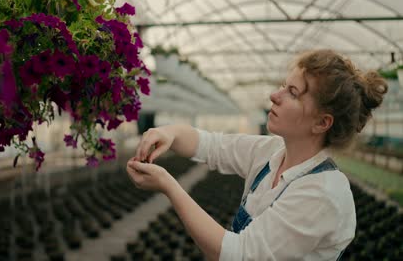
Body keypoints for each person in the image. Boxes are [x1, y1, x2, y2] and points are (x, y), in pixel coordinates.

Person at [126, 49, 388, 260]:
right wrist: (170, 132)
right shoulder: (272, 153)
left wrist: (169, 186)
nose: (274, 96)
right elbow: (210, 145)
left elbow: (237, 255)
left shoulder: (322, 193)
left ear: (322, 123)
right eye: (283, 86)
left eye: (292, 93)